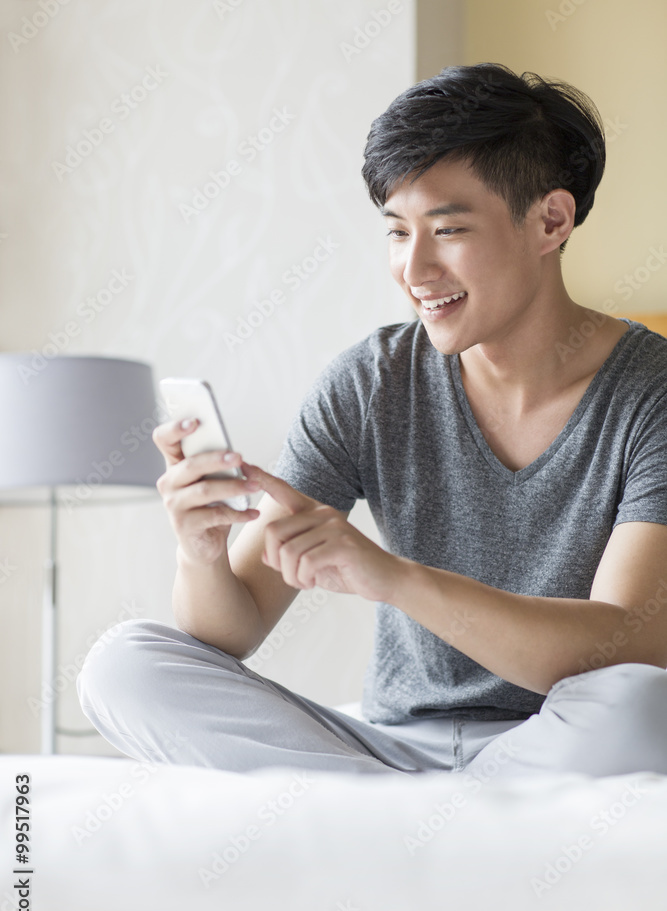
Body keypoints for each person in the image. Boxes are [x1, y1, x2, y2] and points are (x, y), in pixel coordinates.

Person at [77, 63, 667, 780]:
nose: (413, 268)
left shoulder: (649, 392)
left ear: (550, 220)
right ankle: (427, 812)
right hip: (390, 744)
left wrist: (389, 577)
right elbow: (229, 632)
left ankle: (387, 814)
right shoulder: (370, 381)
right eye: (396, 233)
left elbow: (627, 645)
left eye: (447, 229)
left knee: (642, 701)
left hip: (557, 736)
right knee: (124, 665)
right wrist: (199, 552)